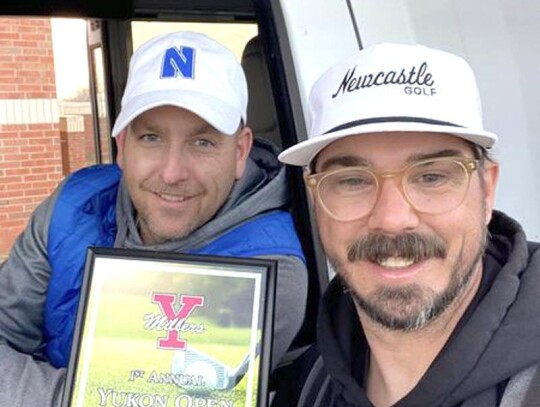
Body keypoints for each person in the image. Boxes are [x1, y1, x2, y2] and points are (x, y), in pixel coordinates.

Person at [0, 31, 307, 405]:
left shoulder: (272, 268)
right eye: (151, 138)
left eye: (203, 142)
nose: (172, 172)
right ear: (122, 145)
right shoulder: (72, 205)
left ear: (240, 151)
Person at [278, 43, 540, 406]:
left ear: (487, 190)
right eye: (353, 181)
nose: (392, 219)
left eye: (431, 177)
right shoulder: (308, 386)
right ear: (316, 201)